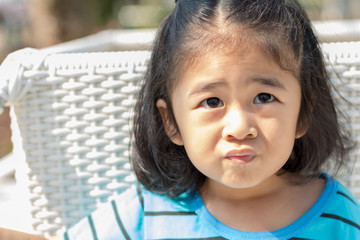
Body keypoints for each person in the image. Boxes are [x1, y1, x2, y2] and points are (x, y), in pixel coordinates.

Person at [62, 0, 360, 239]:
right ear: (171, 122)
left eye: (264, 98)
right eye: (212, 102)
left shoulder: (339, 217)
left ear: (303, 113)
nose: (240, 128)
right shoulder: (145, 212)